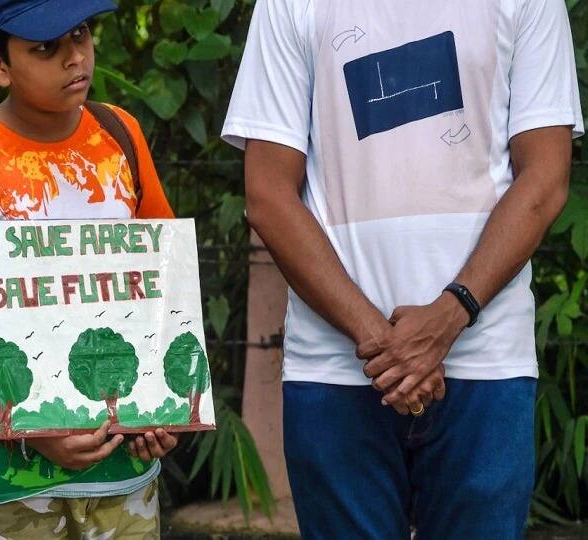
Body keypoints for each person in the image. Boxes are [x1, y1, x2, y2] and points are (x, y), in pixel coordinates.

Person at [222, 0, 584, 538]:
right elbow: (269, 195)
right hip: (336, 368)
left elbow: (546, 179)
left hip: (484, 363)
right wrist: (386, 343)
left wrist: (450, 315)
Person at [0, 1, 178, 538]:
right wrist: (24, 423)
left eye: (82, 34)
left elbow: (162, 293)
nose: (76, 57)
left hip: (122, 481)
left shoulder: (122, 138)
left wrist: (166, 411)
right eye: (46, 47)